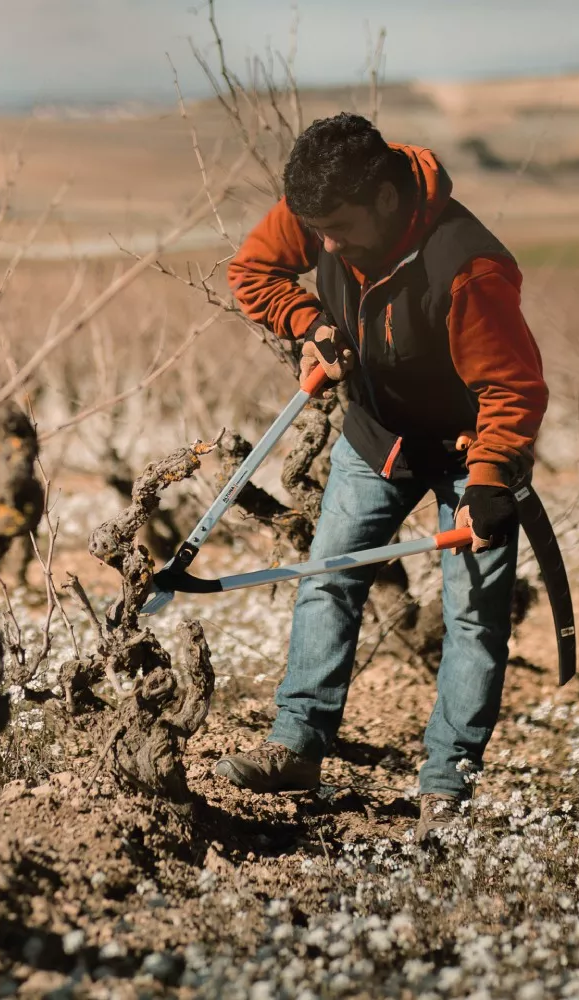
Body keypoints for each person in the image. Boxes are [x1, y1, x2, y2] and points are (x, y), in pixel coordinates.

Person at [215, 112, 549, 843]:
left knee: (472, 617)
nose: (324, 244)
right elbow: (254, 271)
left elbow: (513, 391)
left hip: (470, 452)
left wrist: (492, 480)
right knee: (327, 575)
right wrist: (307, 319)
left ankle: (446, 789)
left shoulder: (469, 268)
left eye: (336, 229)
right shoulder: (324, 203)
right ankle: (296, 746)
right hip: (375, 438)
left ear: (388, 202)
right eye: (314, 229)